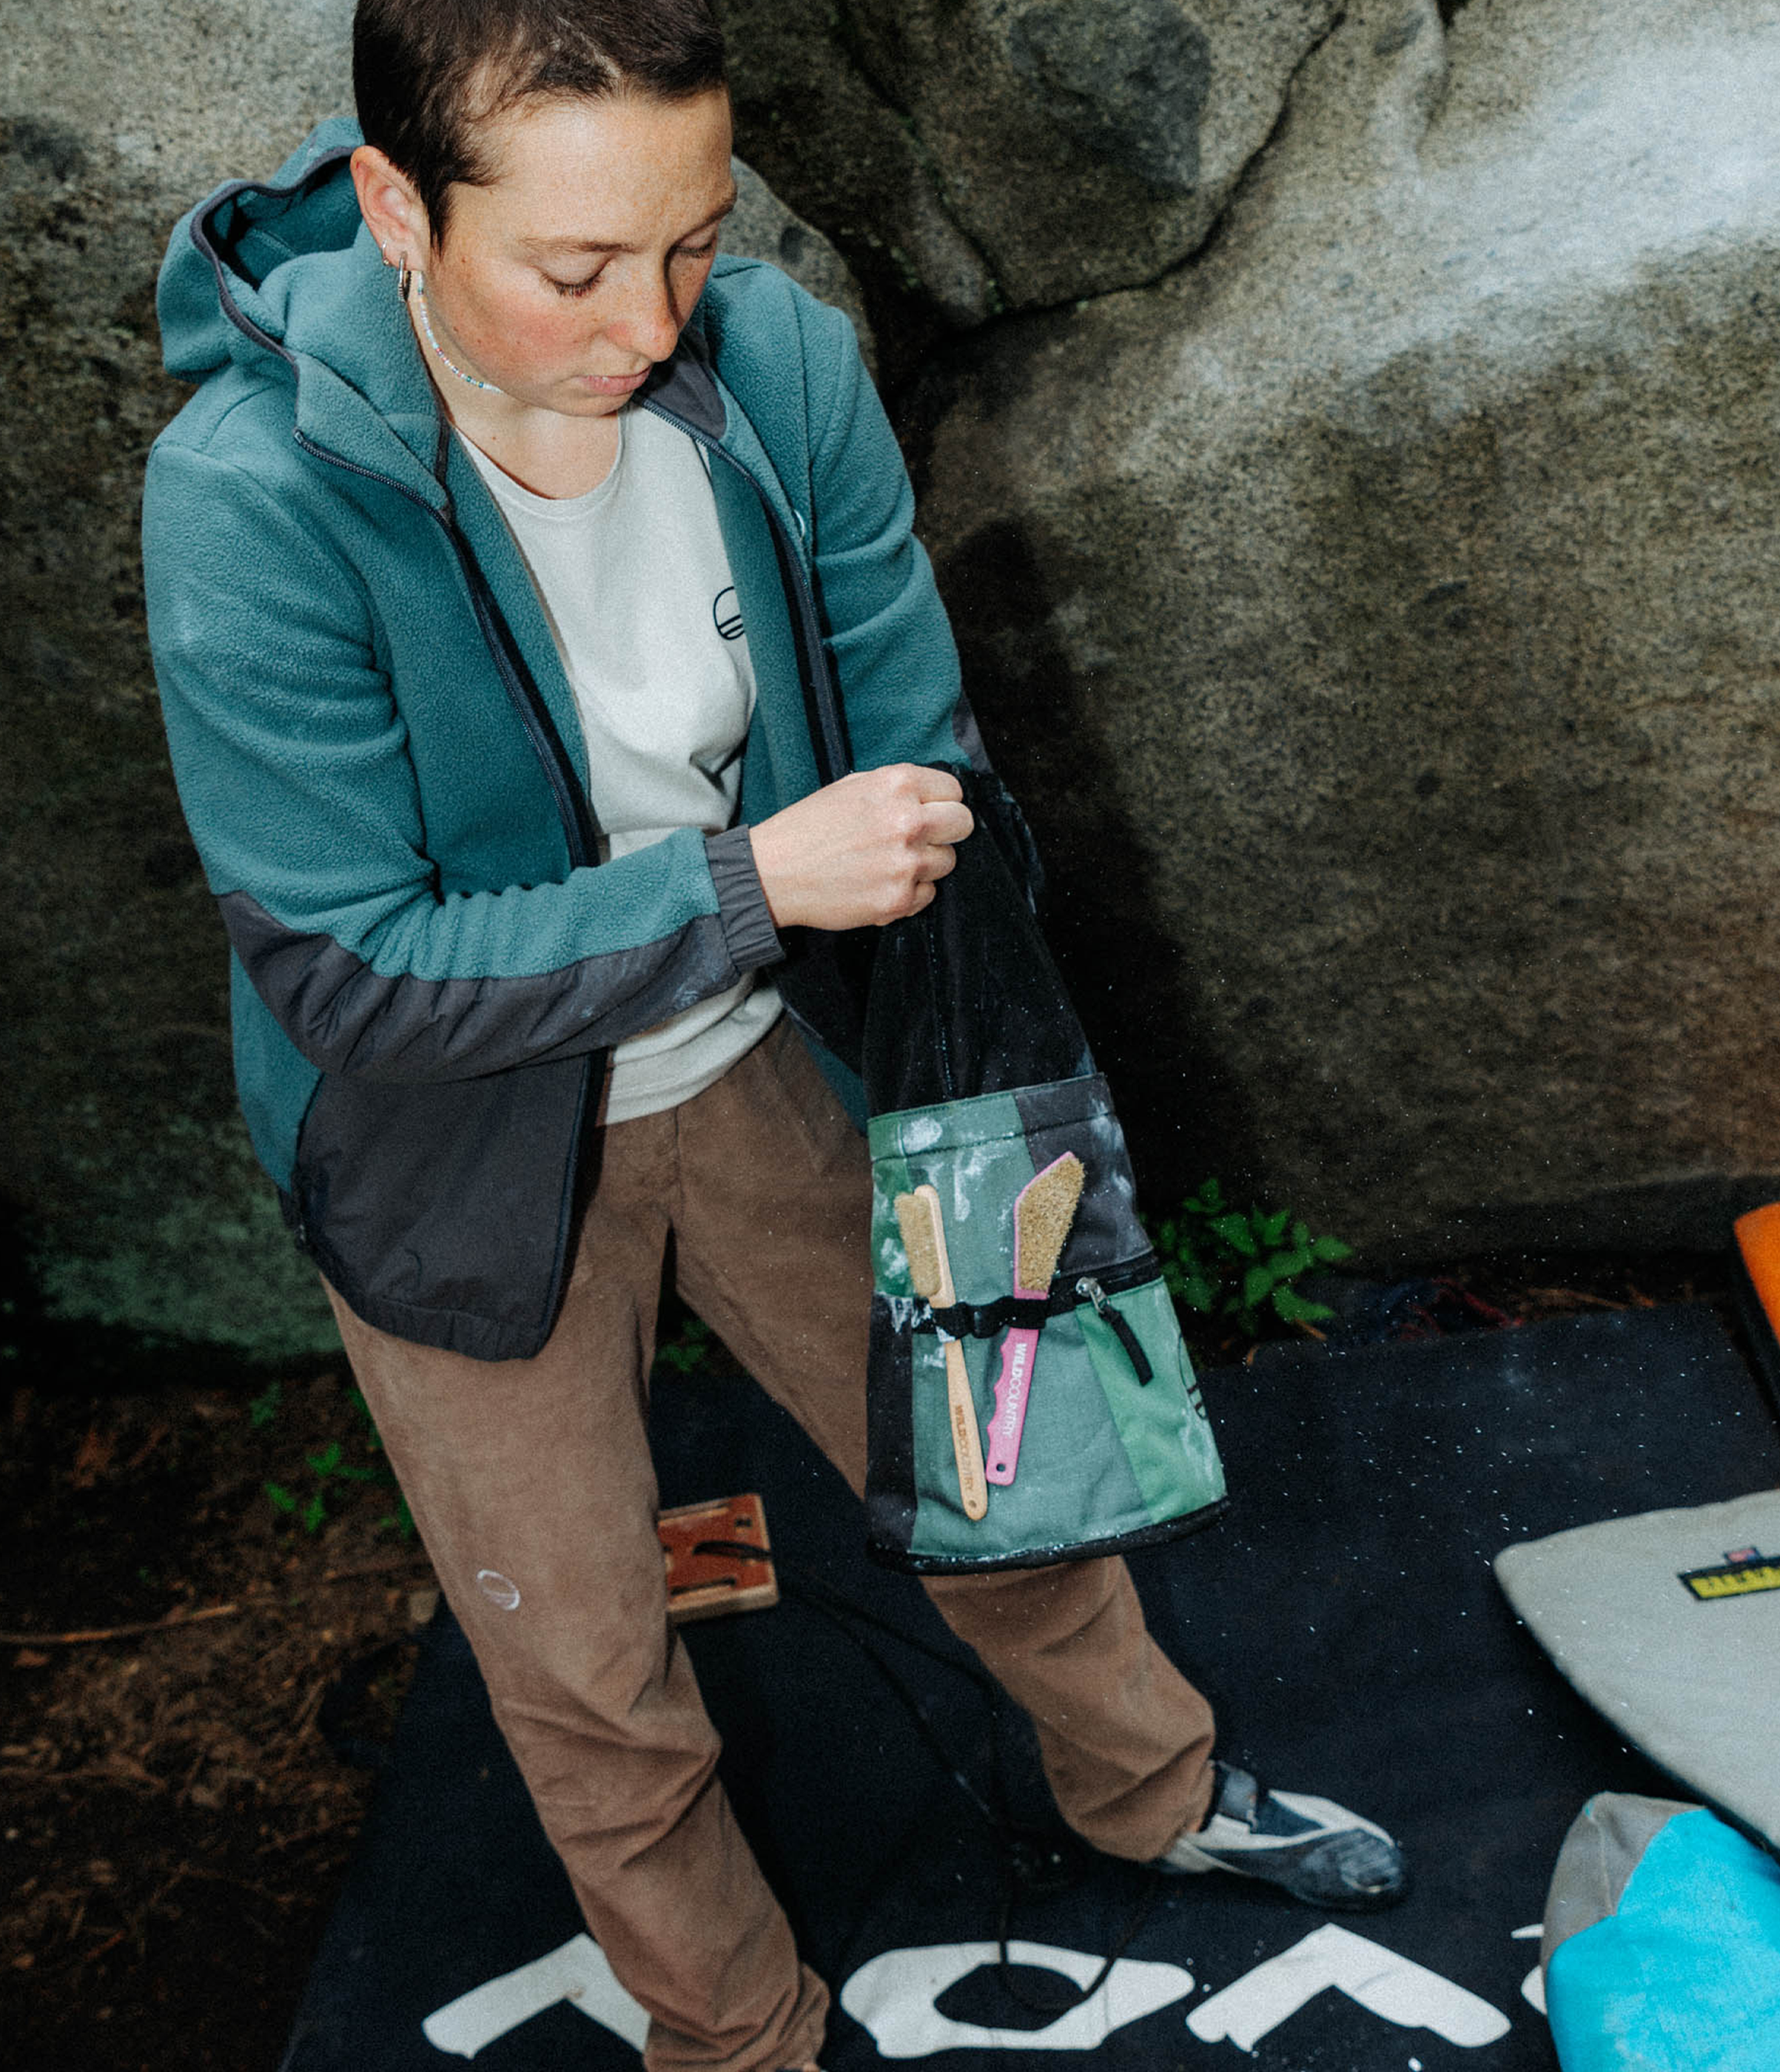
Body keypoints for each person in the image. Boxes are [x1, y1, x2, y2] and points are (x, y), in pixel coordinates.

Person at [141, 3, 1408, 2067]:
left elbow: (915, 736)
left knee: (998, 1458)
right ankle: (736, 2035)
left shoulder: (782, 359)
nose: (650, 326)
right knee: (587, 1663)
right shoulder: (248, 492)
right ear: (394, 207)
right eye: (574, 268)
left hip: (766, 1058)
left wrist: (938, 965)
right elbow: (355, 975)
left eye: (693, 242)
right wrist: (749, 885)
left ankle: (1158, 1791)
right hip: (451, 1148)